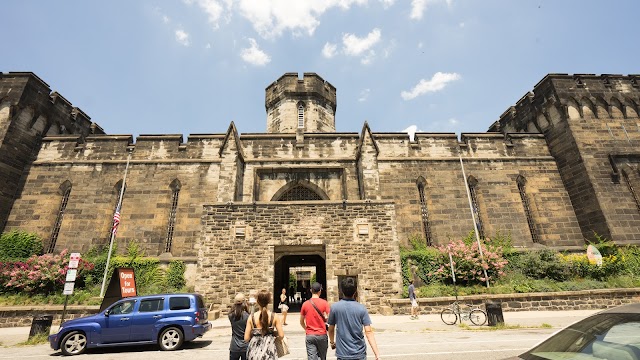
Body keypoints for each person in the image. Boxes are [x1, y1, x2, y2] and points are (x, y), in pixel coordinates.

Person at [328, 277, 380, 360]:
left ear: (341, 290)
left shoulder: (335, 308)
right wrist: (376, 354)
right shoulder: (361, 308)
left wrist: (332, 342)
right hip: (359, 353)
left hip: (343, 353)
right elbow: (368, 331)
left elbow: (331, 329)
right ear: (355, 291)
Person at [244, 289, 284, 360]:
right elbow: (281, 335)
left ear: (257, 301)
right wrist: (273, 335)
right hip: (269, 350)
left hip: (254, 352)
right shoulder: (274, 316)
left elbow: (246, 338)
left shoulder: (251, 317)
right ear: (269, 301)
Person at [300, 282, 330, 360]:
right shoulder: (325, 303)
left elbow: (301, 321)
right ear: (320, 291)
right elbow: (330, 319)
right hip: (322, 334)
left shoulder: (305, 304)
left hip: (310, 334)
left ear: (310, 290)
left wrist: (306, 328)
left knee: (311, 358)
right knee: (323, 357)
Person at [229, 293, 250, 360]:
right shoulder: (247, 316)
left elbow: (232, 311)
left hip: (234, 346)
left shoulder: (231, 315)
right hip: (245, 346)